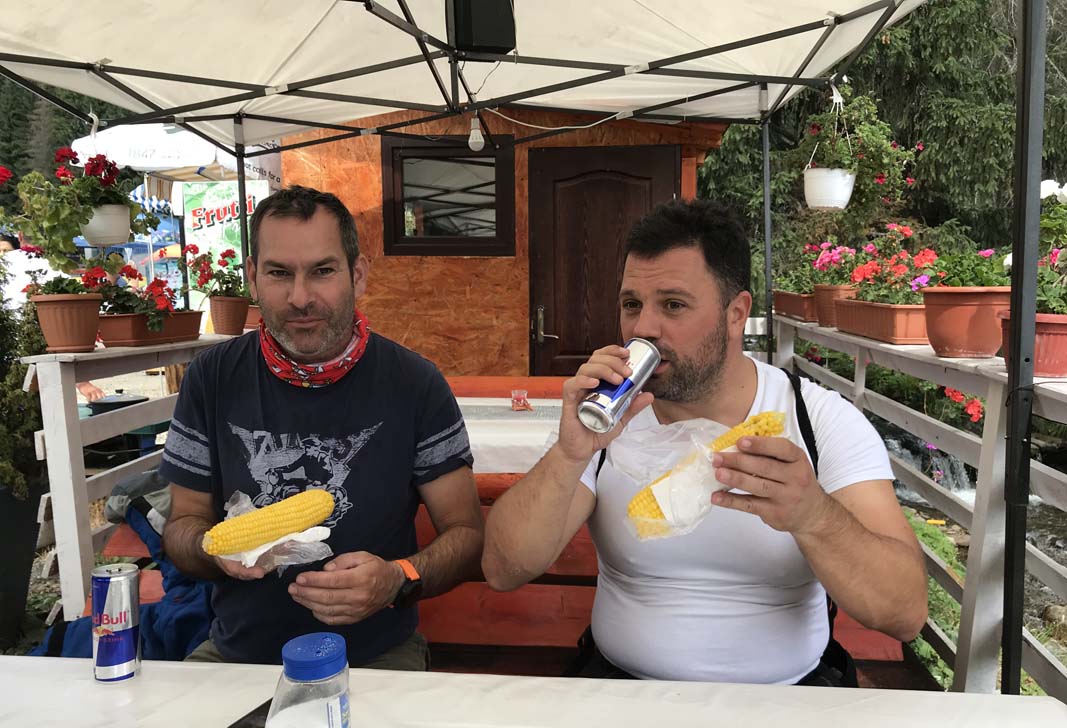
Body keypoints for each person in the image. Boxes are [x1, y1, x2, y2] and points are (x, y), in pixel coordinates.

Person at [482, 199, 927, 686]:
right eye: (632, 305)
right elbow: (504, 569)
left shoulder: (816, 419)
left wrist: (814, 515)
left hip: (786, 700)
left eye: (673, 305)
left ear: (736, 314)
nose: (643, 329)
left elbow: (904, 613)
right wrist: (569, 455)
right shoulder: (606, 422)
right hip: (623, 690)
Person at [160, 186, 484, 669]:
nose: (300, 298)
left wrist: (397, 578)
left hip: (375, 657)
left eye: (322, 271)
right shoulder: (212, 378)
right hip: (237, 656)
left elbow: (467, 534)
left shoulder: (415, 383)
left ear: (358, 274)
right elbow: (182, 524)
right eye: (278, 273)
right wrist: (212, 550)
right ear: (252, 278)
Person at [1, 234, 105, 401]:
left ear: (19, 237)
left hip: (18, 356)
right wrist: (81, 381)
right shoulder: (55, 265)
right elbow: (68, 321)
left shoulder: (10, 266)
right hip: (42, 357)